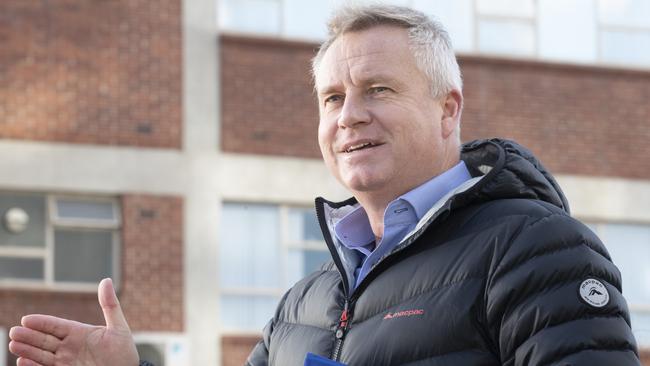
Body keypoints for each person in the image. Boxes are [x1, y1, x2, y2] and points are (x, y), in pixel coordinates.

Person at [7, 4, 640, 366]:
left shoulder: (539, 251)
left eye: (378, 90)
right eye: (331, 97)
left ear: (449, 110)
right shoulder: (301, 304)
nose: (348, 117)